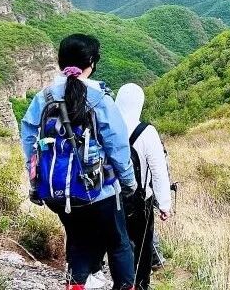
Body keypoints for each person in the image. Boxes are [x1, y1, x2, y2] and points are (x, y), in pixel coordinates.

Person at [21, 34, 138, 290]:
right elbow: (117, 146)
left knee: (78, 242)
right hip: (101, 191)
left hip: (58, 193)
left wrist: (35, 180)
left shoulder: (44, 98)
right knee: (119, 244)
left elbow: (30, 138)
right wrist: (129, 182)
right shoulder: (100, 99)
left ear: (60, 61)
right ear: (92, 63)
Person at [115, 83, 172, 290]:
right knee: (142, 247)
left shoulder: (109, 127)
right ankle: (140, 285)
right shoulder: (147, 132)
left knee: (117, 246)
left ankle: (120, 283)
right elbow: (158, 171)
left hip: (110, 198)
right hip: (141, 201)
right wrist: (164, 204)